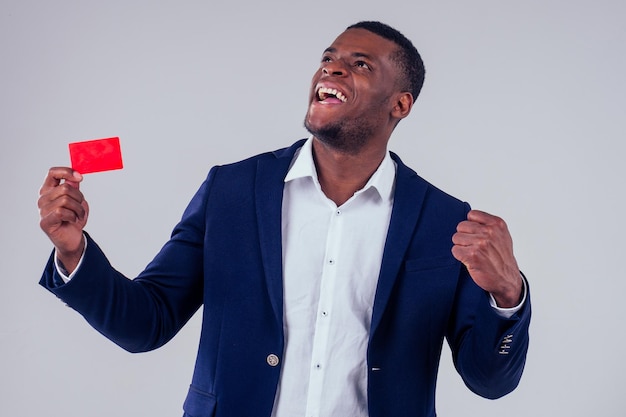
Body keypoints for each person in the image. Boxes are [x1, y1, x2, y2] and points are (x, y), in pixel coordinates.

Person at [38, 21, 530, 417]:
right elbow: (146, 323)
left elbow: (488, 382)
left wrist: (507, 297)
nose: (332, 70)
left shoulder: (447, 222)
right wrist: (73, 254)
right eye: (328, 59)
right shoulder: (231, 191)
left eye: (359, 65)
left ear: (401, 104)